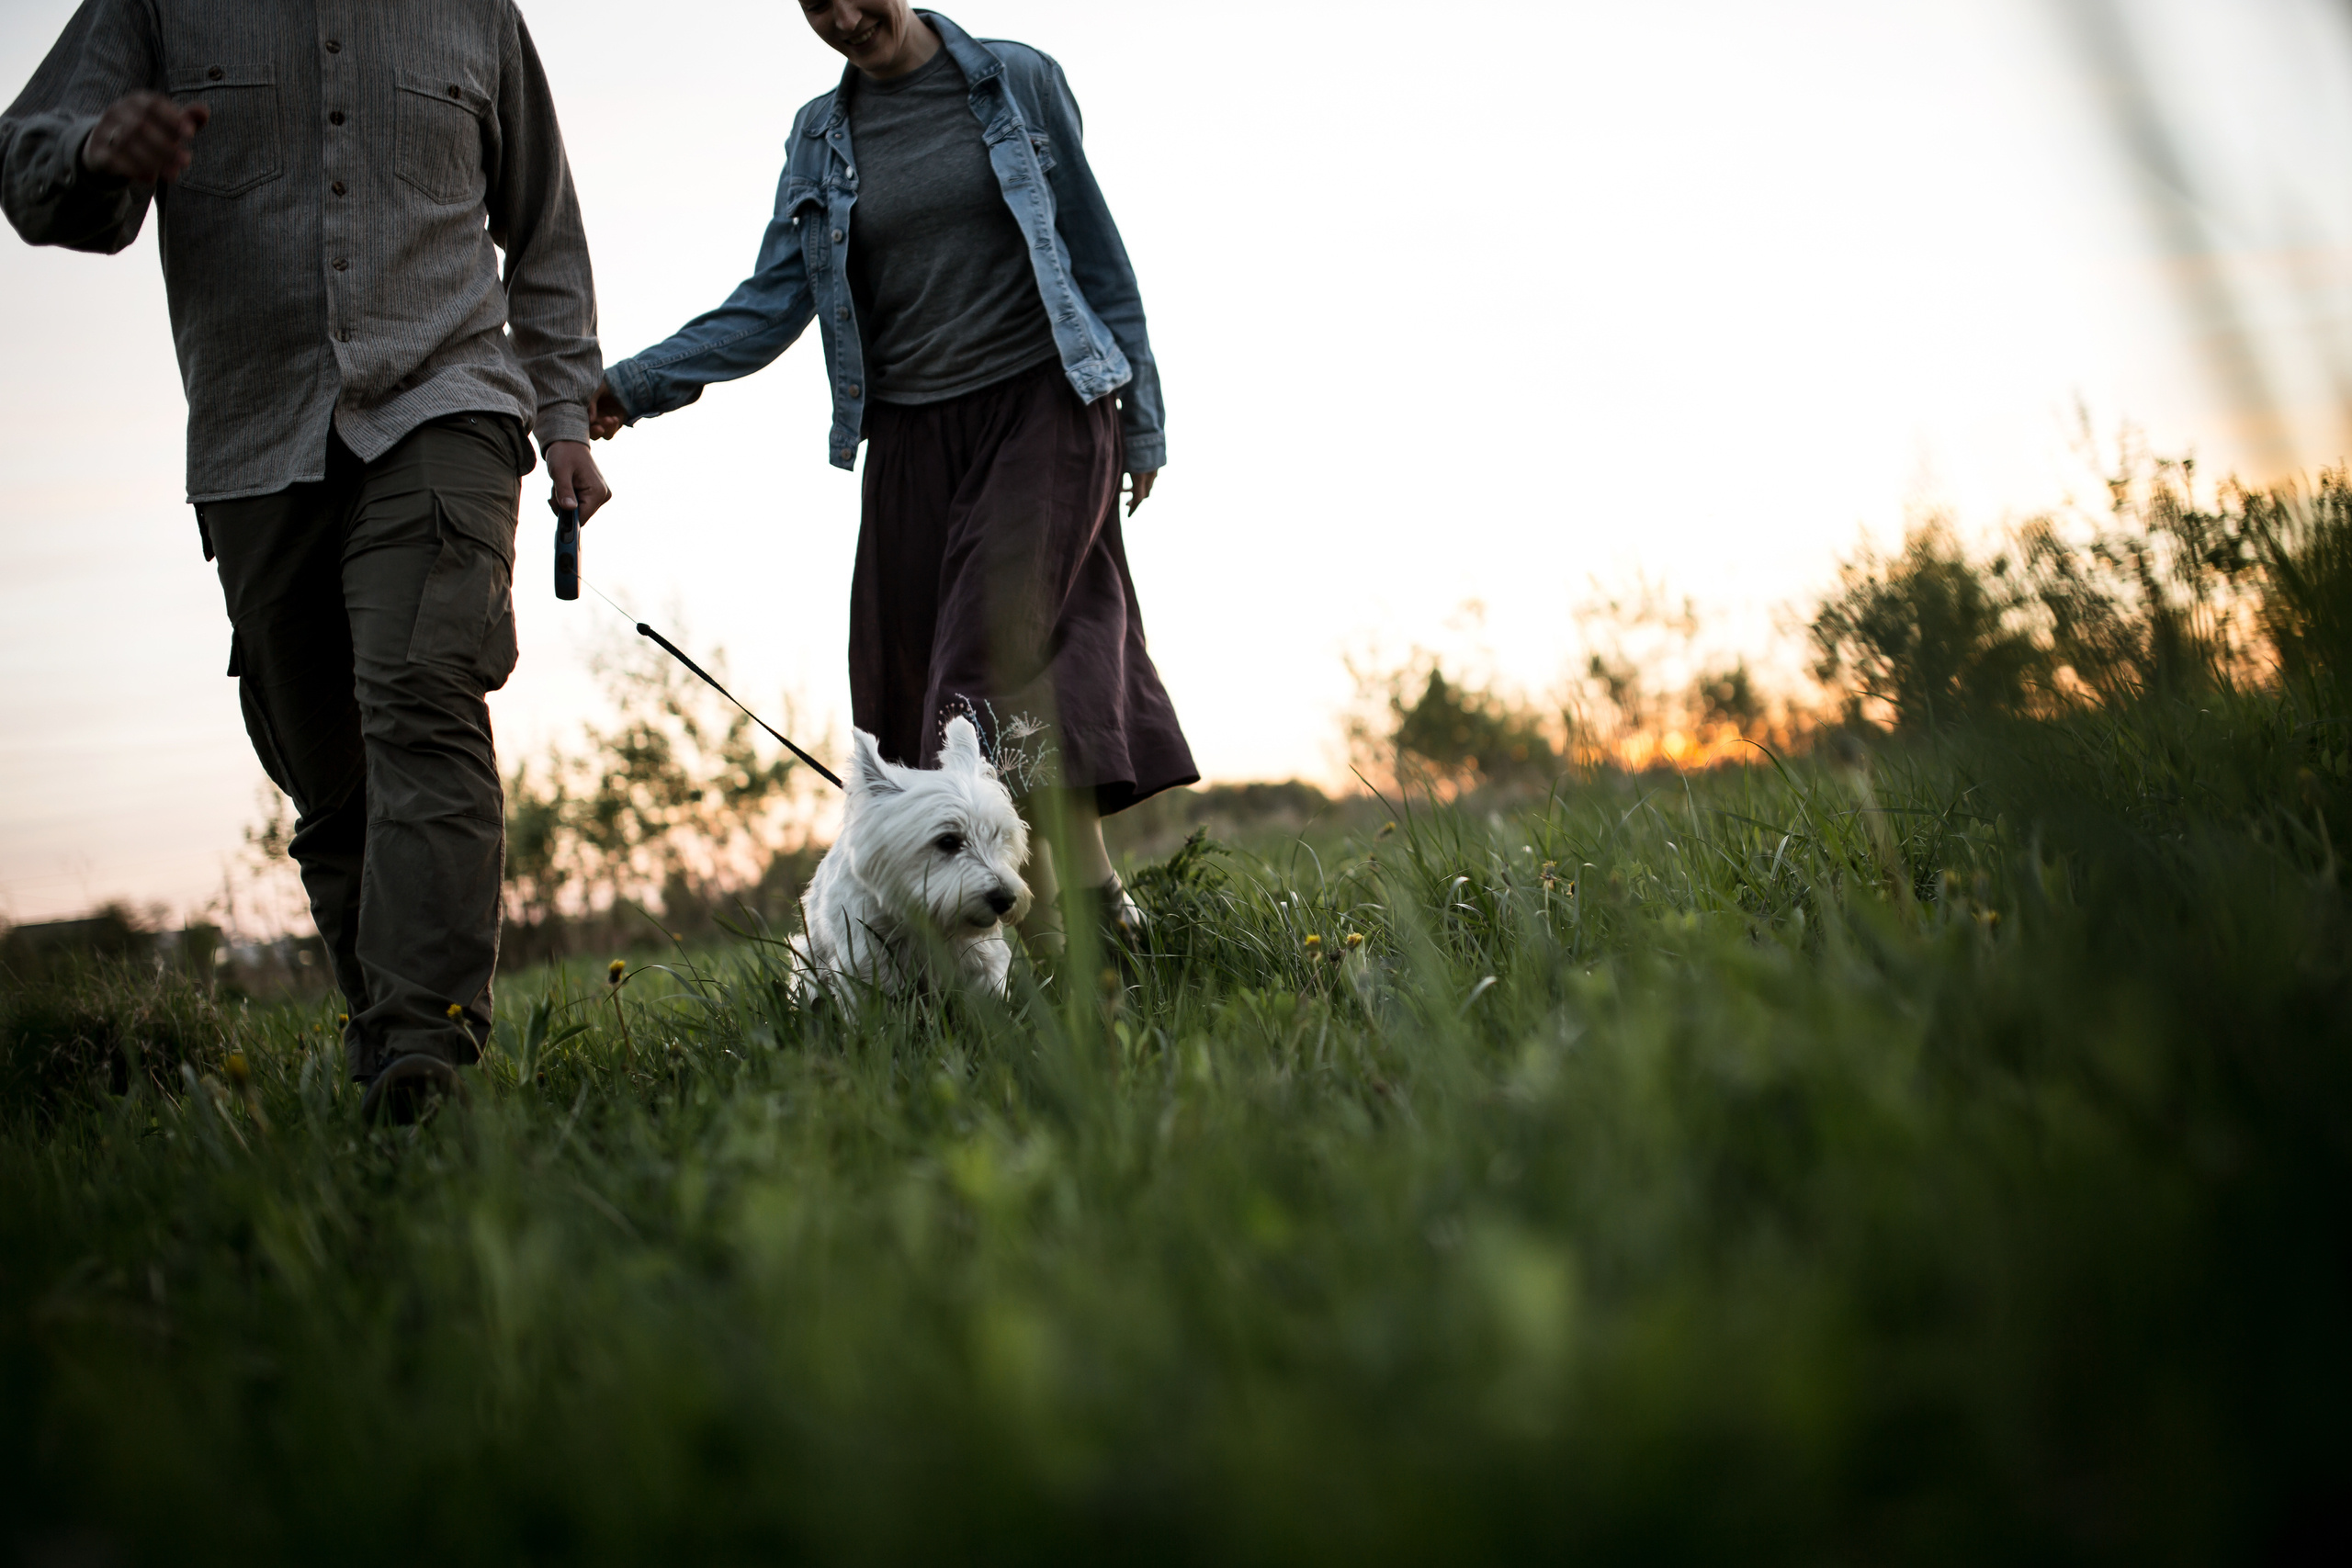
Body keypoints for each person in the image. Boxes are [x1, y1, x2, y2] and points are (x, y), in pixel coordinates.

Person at [2, 1, 610, 1122]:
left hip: (448, 399)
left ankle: (426, 1054)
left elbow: (544, 232)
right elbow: (28, 160)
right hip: (253, 435)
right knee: (331, 782)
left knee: (422, 694)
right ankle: (384, 1045)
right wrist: (93, 152)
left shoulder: (474, 12)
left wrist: (563, 412)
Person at [591, 1, 1193, 953]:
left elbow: (1095, 254)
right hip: (913, 436)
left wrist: (1143, 418)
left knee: (977, 679)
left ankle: (1052, 952)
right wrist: (630, 387)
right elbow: (771, 301)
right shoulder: (820, 137)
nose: (840, 14)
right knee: (923, 689)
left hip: (1043, 407)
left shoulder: (1016, 78)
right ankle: (1095, 915)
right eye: (811, 2)